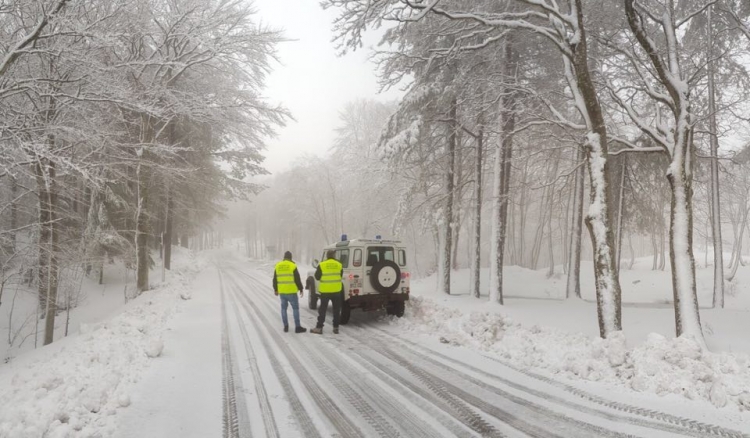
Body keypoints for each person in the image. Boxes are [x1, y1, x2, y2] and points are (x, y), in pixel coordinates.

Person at [310, 250, 343, 335]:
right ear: (334, 256)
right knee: (336, 310)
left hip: (325, 291)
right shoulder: (339, 264)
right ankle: (336, 328)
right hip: (336, 291)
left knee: (323, 310)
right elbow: (341, 275)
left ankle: (319, 327)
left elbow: (317, 277)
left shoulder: (322, 264)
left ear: (327, 256)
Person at [273, 251, 307, 333]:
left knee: (283, 309)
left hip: (282, 292)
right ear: (290, 257)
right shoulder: (293, 266)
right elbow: (297, 279)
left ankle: (286, 326)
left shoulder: (278, 266)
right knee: (295, 308)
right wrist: (301, 289)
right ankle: (297, 327)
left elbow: (275, 279)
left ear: (284, 257)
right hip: (292, 292)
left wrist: (276, 289)